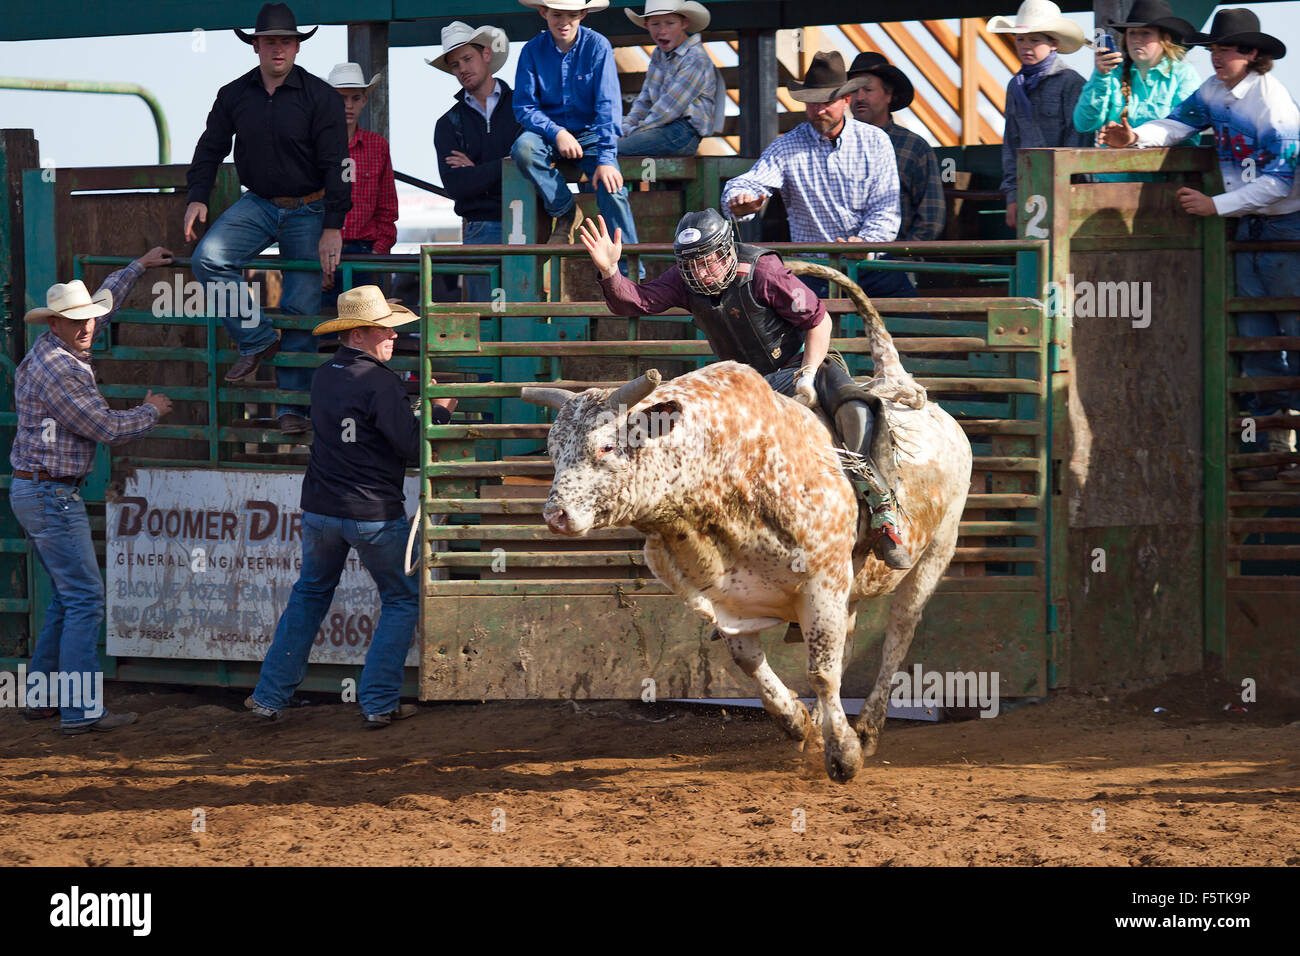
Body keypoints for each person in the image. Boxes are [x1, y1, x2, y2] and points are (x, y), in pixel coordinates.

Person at [580, 210, 913, 570]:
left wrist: (808, 373)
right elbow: (637, 302)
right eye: (692, 266)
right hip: (739, 384)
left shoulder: (763, 272)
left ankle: (883, 514)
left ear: (727, 251)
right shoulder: (684, 279)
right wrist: (611, 272)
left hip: (796, 366)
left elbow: (819, 319)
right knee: (682, 420)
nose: (701, 272)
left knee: (855, 407)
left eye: (708, 262)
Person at [1100, 8, 1300, 480]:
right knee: (1254, 335)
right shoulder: (1216, 92)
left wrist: (1217, 205)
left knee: (1287, 328)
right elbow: (1177, 123)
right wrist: (1134, 137)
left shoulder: (1275, 107)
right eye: (1213, 49)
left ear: (1251, 54)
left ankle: (1278, 441)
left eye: (1225, 49)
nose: (1216, 56)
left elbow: (1282, 181)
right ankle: (1272, 443)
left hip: (1280, 225)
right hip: (1254, 225)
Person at [245, 286, 459, 725]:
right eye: (385, 330)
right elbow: (414, 446)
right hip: (372, 512)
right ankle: (378, 703)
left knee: (309, 594)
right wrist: (438, 413)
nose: (394, 337)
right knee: (400, 600)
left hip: (322, 508)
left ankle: (269, 697)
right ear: (359, 334)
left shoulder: (324, 375)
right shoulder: (380, 382)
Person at [10, 249, 176, 734]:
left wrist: (139, 267)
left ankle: (42, 697)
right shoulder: (62, 371)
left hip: (39, 491)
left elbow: (105, 302)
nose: (87, 327)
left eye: (87, 319)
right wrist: (152, 411)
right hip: (51, 495)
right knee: (84, 596)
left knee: (68, 595)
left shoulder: (55, 347)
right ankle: (80, 709)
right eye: (76, 321)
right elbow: (103, 426)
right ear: (56, 324)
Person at [185, 2, 350, 435]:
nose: (278, 48)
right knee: (208, 259)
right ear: (255, 46)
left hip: (310, 207)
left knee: (299, 305)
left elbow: (338, 165)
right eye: (269, 41)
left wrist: (332, 226)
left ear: (297, 47)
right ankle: (256, 336)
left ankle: (291, 409)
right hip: (257, 202)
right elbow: (209, 148)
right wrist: (197, 198)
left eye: (286, 41)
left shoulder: (321, 98)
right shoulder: (233, 95)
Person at [721, 51, 898, 301]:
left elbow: (886, 208)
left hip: (871, 266)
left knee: (916, 320)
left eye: (827, 101)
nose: (819, 110)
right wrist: (740, 200)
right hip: (814, 270)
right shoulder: (787, 146)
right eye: (812, 102)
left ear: (846, 99)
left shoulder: (876, 141)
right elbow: (748, 182)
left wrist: (865, 243)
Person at [511, 0, 641, 251]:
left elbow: (608, 105)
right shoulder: (531, 50)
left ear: (583, 13)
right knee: (523, 149)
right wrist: (556, 132)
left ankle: (631, 270)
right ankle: (566, 210)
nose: (564, 22)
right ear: (543, 12)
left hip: (592, 134)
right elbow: (524, 107)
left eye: (571, 15)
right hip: (547, 134)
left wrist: (606, 158)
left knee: (612, 187)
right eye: (557, 14)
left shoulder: (597, 46)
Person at [430, 21, 521, 302]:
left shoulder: (523, 106)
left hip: (527, 221)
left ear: (486, 54)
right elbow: (457, 186)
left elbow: (534, 164)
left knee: (527, 315)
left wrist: (478, 171)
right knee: (487, 320)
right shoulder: (447, 123)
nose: (462, 69)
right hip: (481, 227)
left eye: (467, 58)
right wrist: (507, 164)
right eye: (455, 65)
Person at [988, 0, 1091, 229]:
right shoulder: (1015, 85)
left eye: (1034, 40)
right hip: (1030, 188)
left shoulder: (1071, 82)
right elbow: (1011, 142)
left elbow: (1077, 141)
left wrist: (1067, 187)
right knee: (1033, 257)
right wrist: (1013, 195)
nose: (1026, 46)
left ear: (1053, 43)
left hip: (1066, 189)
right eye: (1020, 39)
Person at [320, 62, 398, 346]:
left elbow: (387, 207)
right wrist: (316, 258)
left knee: (367, 337)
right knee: (325, 335)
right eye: (341, 98)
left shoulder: (378, 146)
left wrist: (377, 252)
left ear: (365, 100)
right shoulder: (315, 146)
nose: (348, 106)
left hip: (365, 252)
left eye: (355, 98)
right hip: (325, 254)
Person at [847, 52, 945, 244]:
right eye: (853, 91)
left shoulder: (914, 148)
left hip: (893, 261)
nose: (859, 97)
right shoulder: (835, 144)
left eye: (867, 90)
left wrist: (903, 259)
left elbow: (931, 217)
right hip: (840, 259)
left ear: (888, 95)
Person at [1072, 0, 1200, 147]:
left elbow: (1187, 130)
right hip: (1115, 167)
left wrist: (1133, 137)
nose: (1137, 39)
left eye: (1145, 33)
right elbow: (1084, 124)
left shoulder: (1184, 74)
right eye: (1132, 33)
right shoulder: (1111, 72)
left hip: (1166, 169)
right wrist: (1100, 76)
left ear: (1165, 39)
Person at [619, 0, 717, 157]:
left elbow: (668, 110)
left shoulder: (695, 58)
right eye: (655, 24)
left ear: (684, 23)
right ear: (646, 26)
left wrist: (632, 132)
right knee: (601, 148)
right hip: (657, 127)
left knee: (614, 152)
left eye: (670, 23)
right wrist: (625, 126)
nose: (662, 31)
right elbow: (645, 100)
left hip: (682, 132)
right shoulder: (658, 55)